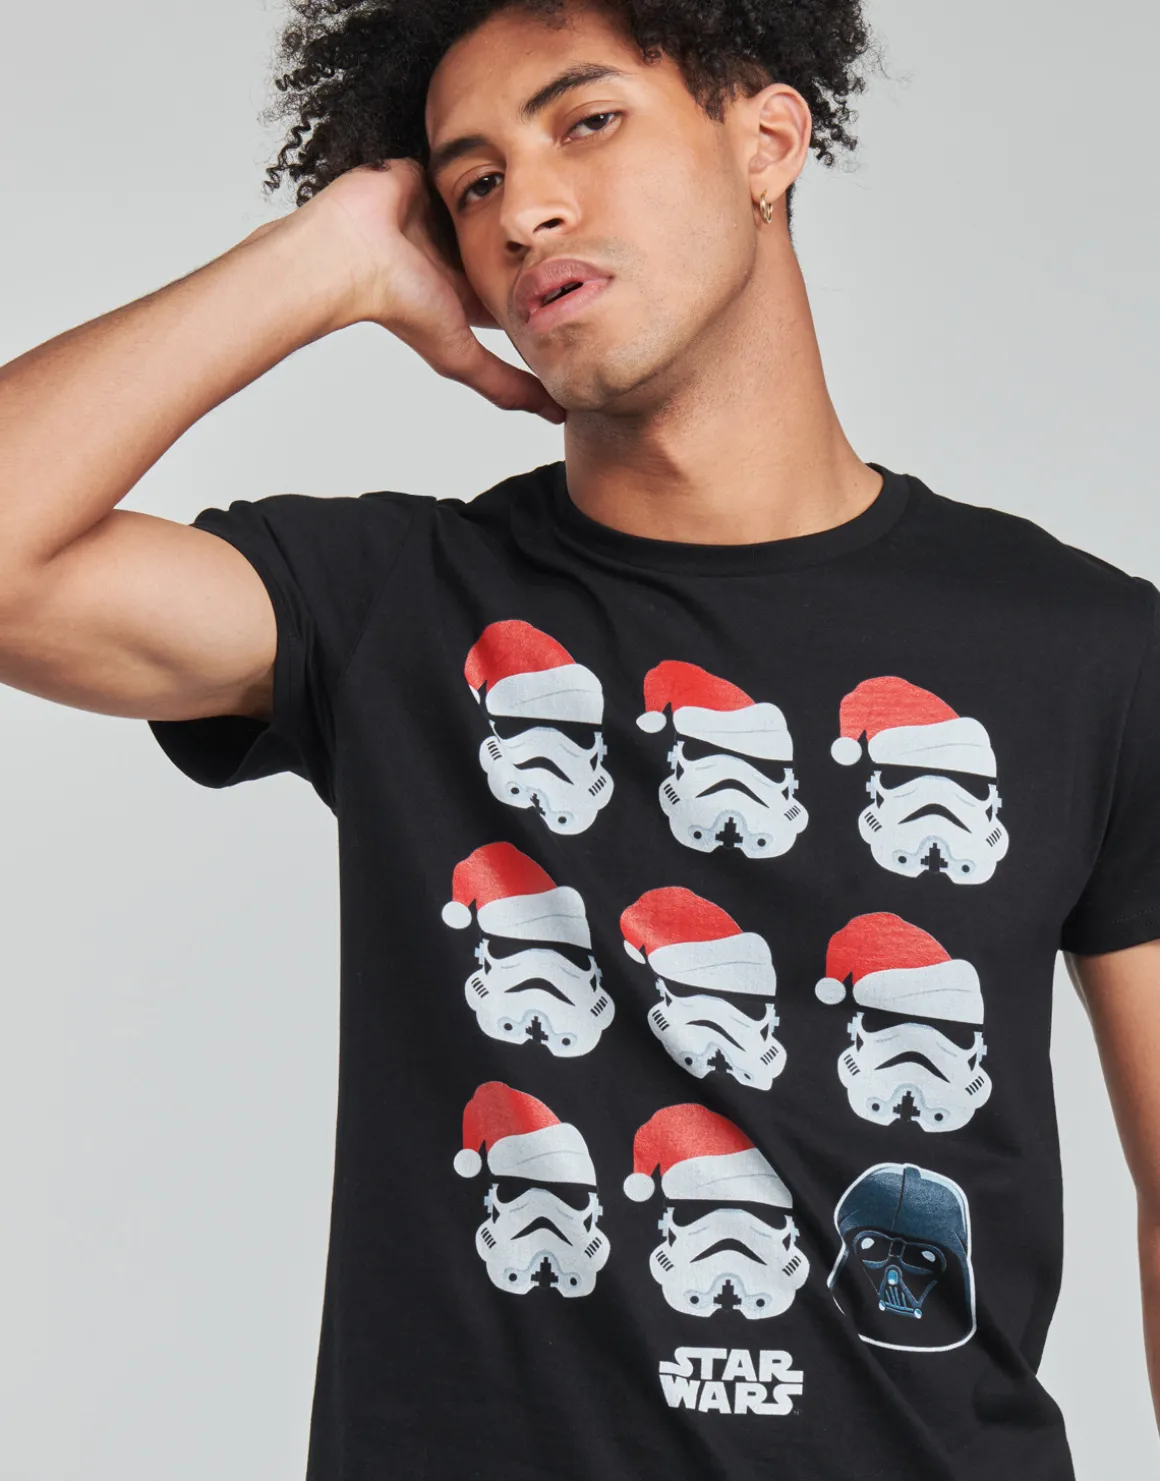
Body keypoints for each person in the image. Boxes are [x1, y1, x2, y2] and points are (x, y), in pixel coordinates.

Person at [1, 1, 1157, 1477]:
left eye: (587, 122)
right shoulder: (397, 607)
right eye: (472, 180)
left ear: (768, 142)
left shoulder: (1085, 647)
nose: (525, 207)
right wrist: (324, 257)